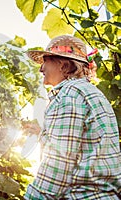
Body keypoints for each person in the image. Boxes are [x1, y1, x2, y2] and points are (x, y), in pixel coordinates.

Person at [24, 35, 121, 199]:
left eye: (45, 61)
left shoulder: (69, 94)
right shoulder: (87, 91)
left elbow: (59, 162)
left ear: (62, 65)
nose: (41, 69)